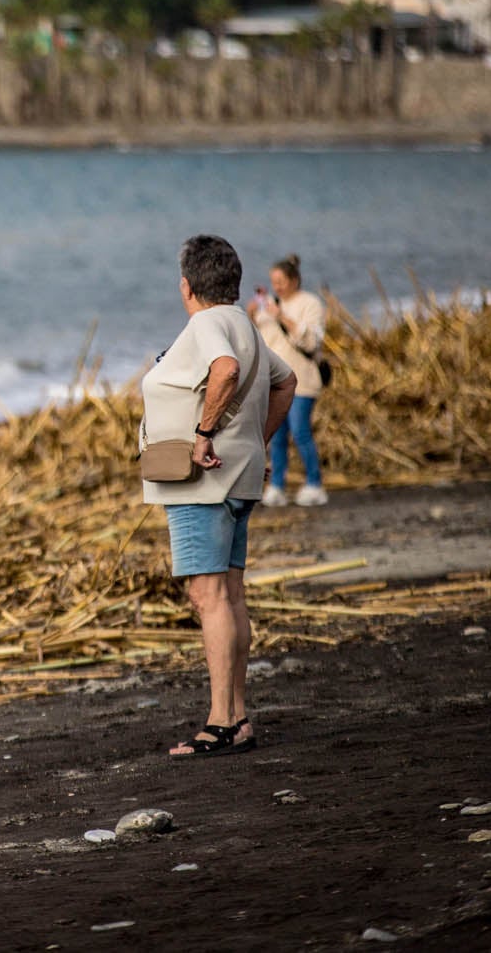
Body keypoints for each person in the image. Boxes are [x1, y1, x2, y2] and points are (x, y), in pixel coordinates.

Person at [140, 235, 296, 759]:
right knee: (229, 594)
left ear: (187, 285)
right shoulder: (244, 322)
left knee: (209, 598)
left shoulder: (208, 323)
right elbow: (287, 381)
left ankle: (222, 721)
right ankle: (237, 716)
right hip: (240, 474)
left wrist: (204, 434)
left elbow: (225, 370)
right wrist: (257, 440)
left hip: (204, 481)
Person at [251, 253, 328, 507]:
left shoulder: (310, 303)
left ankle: (315, 483)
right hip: (274, 384)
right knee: (277, 435)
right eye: (274, 281)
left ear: (295, 280)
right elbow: (258, 341)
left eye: (282, 281)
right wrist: (252, 315)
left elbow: (311, 340)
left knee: (300, 430)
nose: (277, 287)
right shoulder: (269, 306)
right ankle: (276, 487)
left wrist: (281, 316)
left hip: (302, 381)